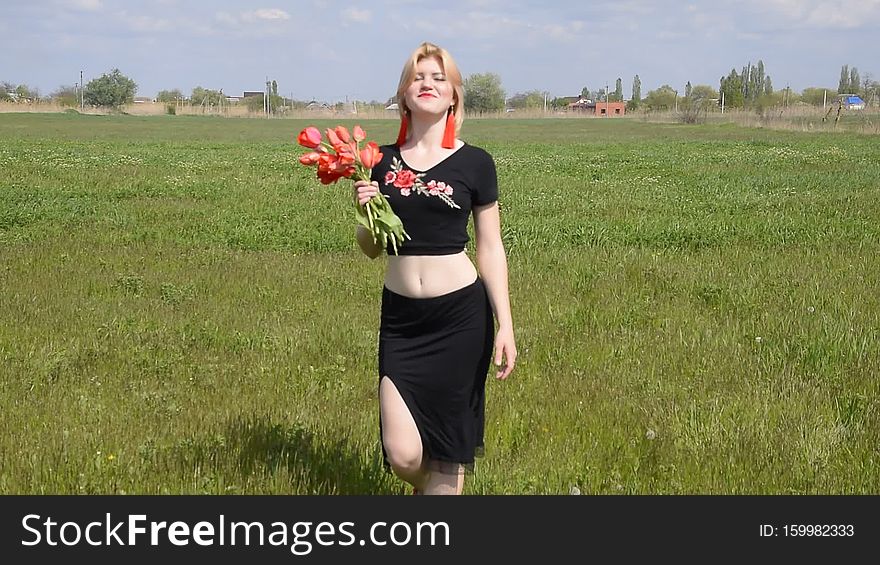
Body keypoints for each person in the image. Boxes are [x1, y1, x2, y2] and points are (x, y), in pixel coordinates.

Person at [353, 42, 516, 495]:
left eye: (438, 78)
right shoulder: (377, 162)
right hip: (402, 322)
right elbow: (370, 249)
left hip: (460, 319)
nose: (427, 84)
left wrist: (505, 324)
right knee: (403, 454)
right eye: (418, 77)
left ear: (454, 97)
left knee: (447, 453)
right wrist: (365, 214)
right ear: (404, 95)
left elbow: (490, 248)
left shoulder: (476, 163)